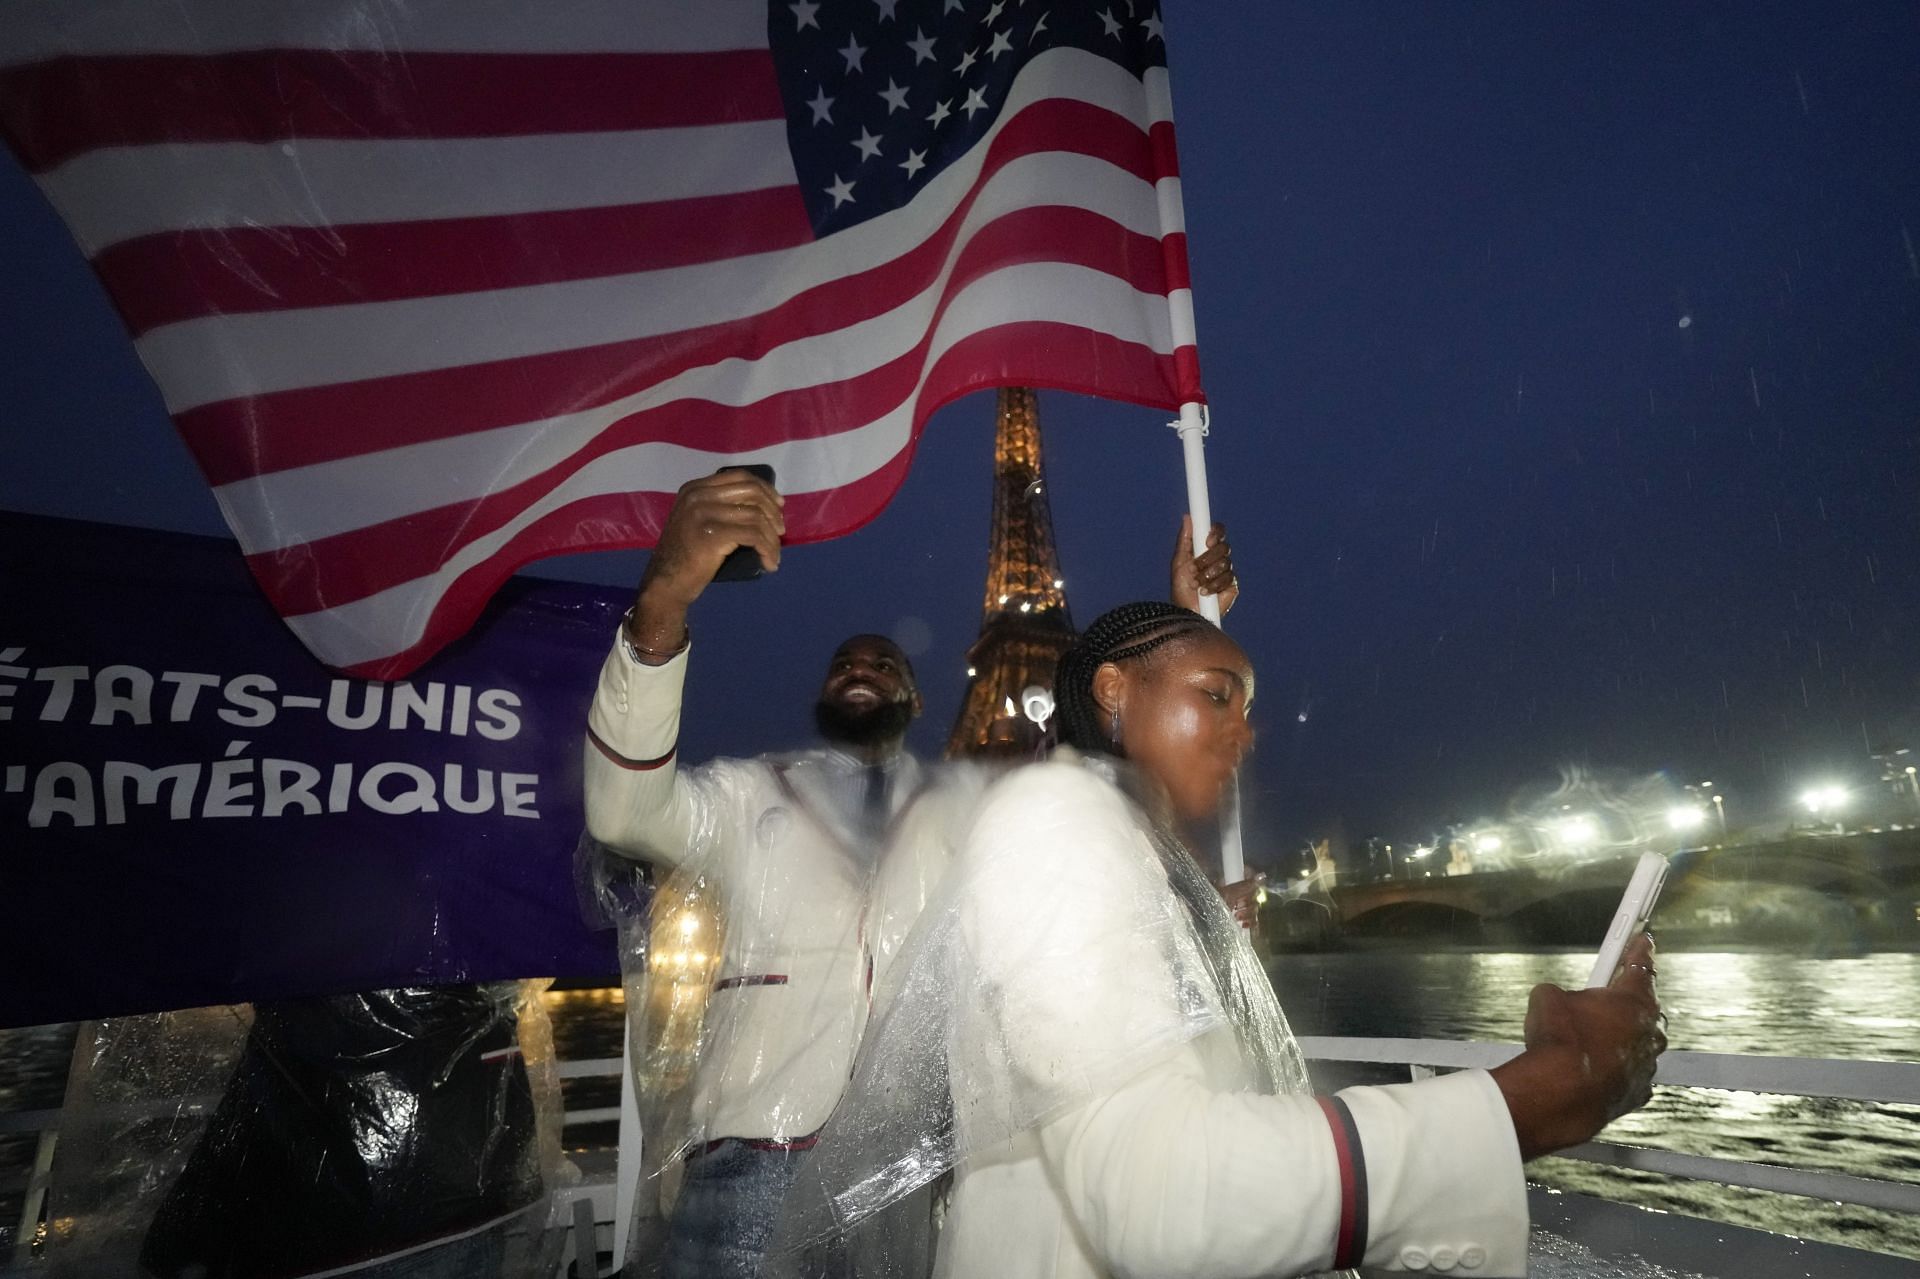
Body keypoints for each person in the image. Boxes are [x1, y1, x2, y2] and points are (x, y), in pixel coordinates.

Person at [772, 602, 1666, 1278]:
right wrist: (1520, 1103)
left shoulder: (1113, 841)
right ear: (1113, 693)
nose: (1246, 728)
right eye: (1217, 694)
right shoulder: (1055, 816)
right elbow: (1160, 1195)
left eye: (1249, 702)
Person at [583, 472, 1245, 1278]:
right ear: (825, 690)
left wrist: (1173, 635)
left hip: (900, 1173)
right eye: (845, 661)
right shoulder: (747, 794)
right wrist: (663, 603)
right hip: (755, 1162)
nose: (863, 666)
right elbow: (623, 810)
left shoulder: (962, 800)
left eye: (886, 661)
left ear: (920, 696)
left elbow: (1097, 791)